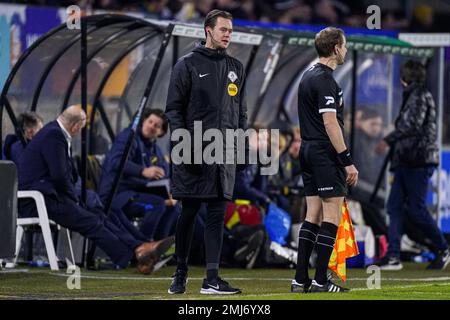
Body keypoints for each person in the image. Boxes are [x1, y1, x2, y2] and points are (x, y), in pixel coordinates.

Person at [17, 105, 174, 274]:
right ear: (76, 126)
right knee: (92, 221)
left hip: (52, 196)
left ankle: (140, 248)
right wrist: (75, 198)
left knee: (101, 214)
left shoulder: (53, 133)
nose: (80, 132)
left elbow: (64, 175)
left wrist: (76, 196)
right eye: (81, 128)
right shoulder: (54, 136)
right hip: (40, 200)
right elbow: (59, 176)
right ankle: (136, 256)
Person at [165, 9, 247, 294]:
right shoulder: (186, 65)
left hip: (223, 154)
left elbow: (240, 114)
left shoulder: (236, 66)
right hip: (193, 151)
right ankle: (180, 271)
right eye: (223, 29)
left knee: (216, 214)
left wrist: (240, 149)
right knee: (188, 213)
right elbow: (173, 110)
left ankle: (212, 278)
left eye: (230, 30)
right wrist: (185, 147)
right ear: (207, 30)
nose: (227, 34)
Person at [292, 27, 358, 293]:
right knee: (331, 215)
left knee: (313, 215)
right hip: (323, 153)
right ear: (335, 48)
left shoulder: (307, 75)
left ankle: (300, 279)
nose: (346, 49)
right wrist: (347, 160)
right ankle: (320, 280)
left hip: (307, 150)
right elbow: (331, 123)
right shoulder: (325, 80)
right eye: (344, 45)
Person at [375, 60, 449, 270]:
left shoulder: (418, 95)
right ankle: (393, 256)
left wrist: (388, 139)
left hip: (416, 160)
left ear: (404, 78)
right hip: (407, 160)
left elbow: (411, 125)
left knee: (415, 209)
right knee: (395, 207)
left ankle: (443, 247)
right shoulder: (417, 95)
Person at [98, 108, 180, 241]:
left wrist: (172, 193)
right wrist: (143, 171)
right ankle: (143, 247)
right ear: (143, 121)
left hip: (136, 193)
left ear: (161, 132)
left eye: (157, 126)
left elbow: (166, 173)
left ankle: (157, 248)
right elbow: (116, 161)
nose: (152, 127)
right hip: (118, 195)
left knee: (174, 208)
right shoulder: (128, 137)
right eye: (150, 122)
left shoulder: (153, 148)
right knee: (156, 204)